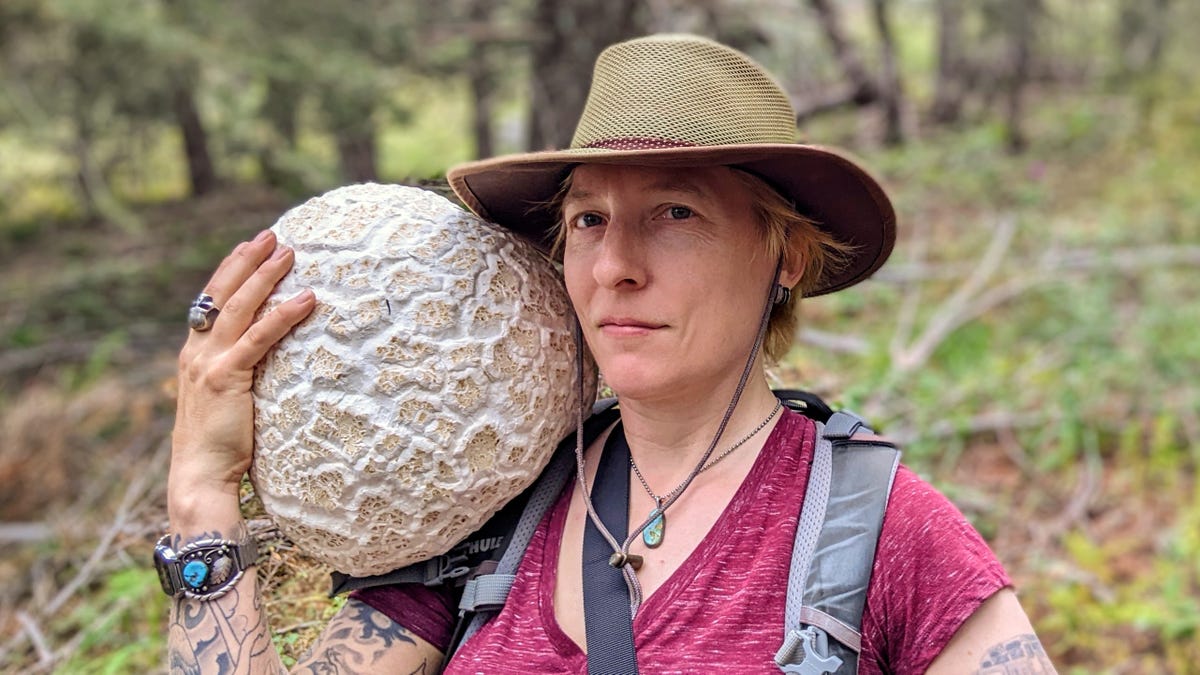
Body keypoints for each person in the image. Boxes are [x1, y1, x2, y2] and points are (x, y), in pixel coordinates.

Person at [162, 34, 1056, 673]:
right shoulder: (494, 505)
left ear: (783, 254)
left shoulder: (878, 530)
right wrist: (202, 491)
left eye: (676, 213)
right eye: (589, 218)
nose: (616, 266)